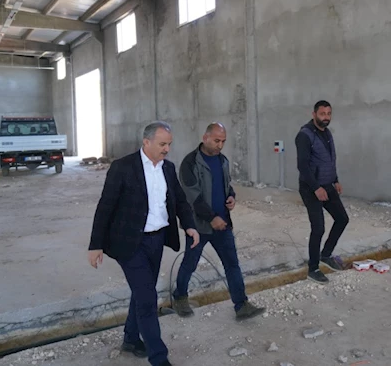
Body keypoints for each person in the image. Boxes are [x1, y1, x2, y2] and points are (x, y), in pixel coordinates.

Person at [88, 121, 199, 366]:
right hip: (129, 242)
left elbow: (180, 201)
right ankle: (159, 358)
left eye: (169, 144)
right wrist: (95, 245)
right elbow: (105, 206)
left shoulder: (168, 168)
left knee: (142, 291)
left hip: (156, 240)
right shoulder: (123, 167)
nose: (167, 149)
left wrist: (189, 225)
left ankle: (130, 339)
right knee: (148, 297)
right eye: (162, 144)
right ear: (146, 142)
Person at [171, 122, 266, 320]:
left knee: (232, 264)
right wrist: (211, 217)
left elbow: (226, 185)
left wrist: (231, 197)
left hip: (222, 223)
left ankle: (241, 305)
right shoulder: (190, 163)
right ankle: (179, 297)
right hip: (198, 226)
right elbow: (192, 196)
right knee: (190, 263)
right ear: (205, 138)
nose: (220, 145)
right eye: (216, 140)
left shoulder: (223, 161)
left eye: (223, 141)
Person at [294, 100, 350, 283]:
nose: (326, 117)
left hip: (327, 185)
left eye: (329, 113)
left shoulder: (327, 133)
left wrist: (335, 180)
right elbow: (302, 166)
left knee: (342, 219)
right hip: (310, 188)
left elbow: (330, 159)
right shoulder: (304, 135)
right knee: (318, 228)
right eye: (322, 114)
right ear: (314, 114)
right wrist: (316, 188)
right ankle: (313, 269)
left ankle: (325, 255)